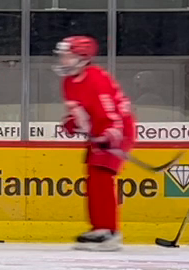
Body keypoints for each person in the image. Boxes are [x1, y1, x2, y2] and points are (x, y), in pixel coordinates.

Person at [54, 35, 136, 251]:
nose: (63, 59)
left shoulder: (96, 78)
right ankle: (99, 227)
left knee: (101, 177)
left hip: (117, 131)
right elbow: (80, 111)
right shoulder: (69, 82)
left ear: (82, 57)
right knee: (93, 178)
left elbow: (111, 112)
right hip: (99, 133)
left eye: (67, 55)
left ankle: (108, 231)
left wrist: (111, 135)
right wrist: (72, 123)